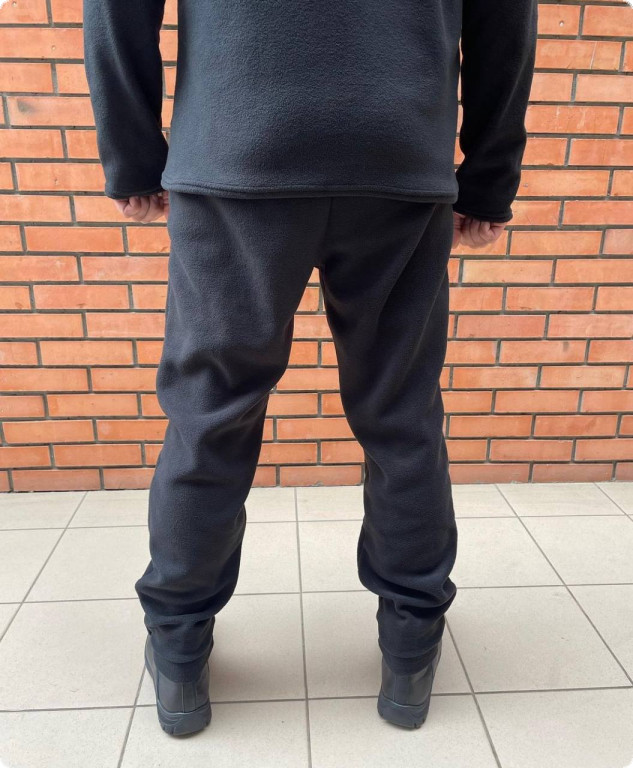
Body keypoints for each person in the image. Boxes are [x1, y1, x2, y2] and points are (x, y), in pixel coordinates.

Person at [82, 0, 537, 737]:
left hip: (235, 146)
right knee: (400, 415)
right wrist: (489, 175)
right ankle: (411, 649)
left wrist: (133, 155)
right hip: (396, 155)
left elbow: (114, 10)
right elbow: (505, 21)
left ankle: (179, 650)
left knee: (210, 414)